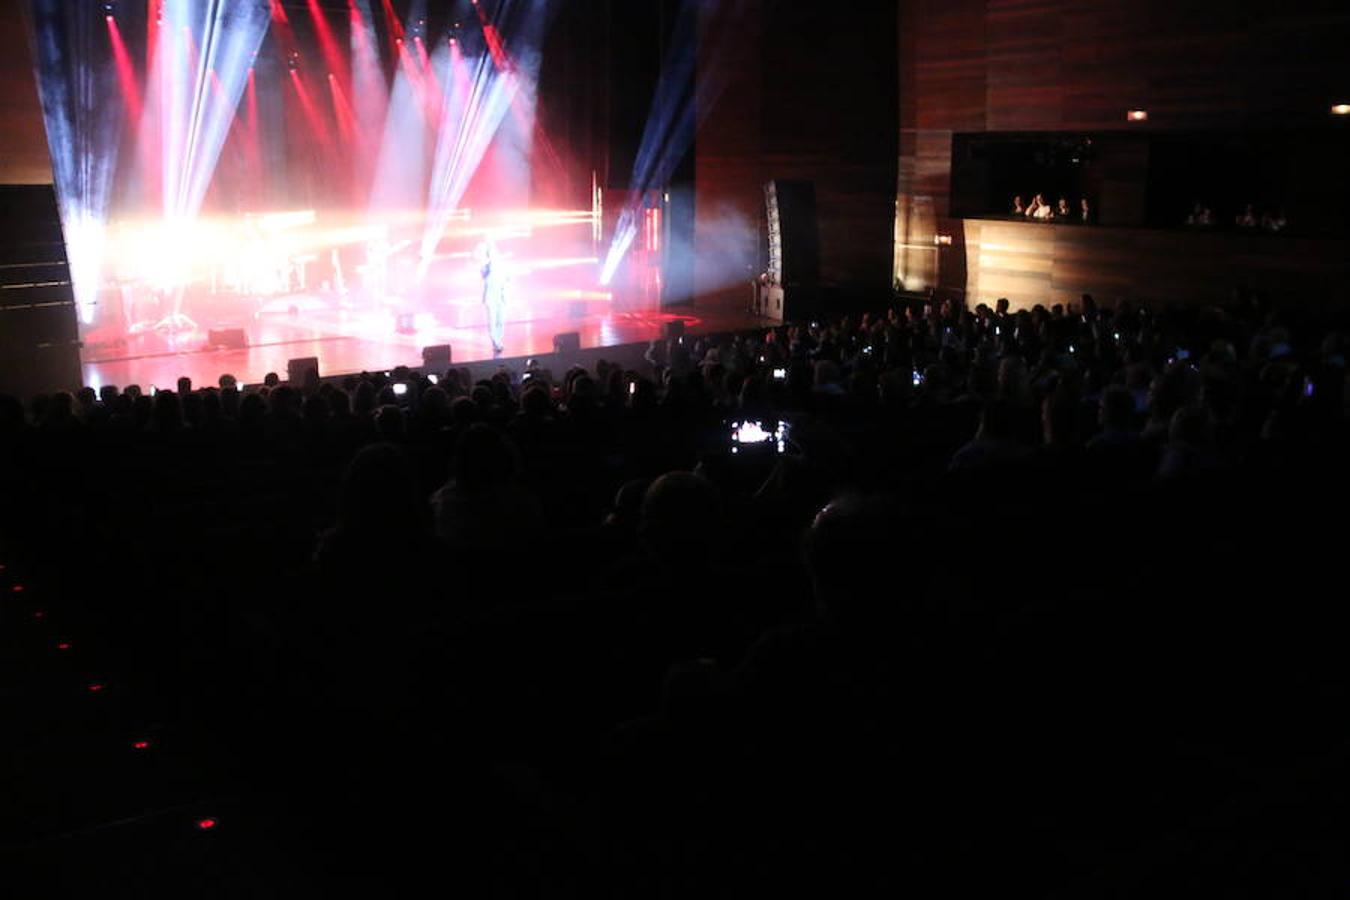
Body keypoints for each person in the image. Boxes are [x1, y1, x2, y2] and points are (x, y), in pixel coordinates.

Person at [474, 237, 508, 355]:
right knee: (492, 321)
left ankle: (499, 341)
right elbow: (484, 276)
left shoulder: (501, 266)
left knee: (500, 321)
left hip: (500, 297)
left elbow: (506, 280)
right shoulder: (486, 266)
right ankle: (496, 343)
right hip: (490, 298)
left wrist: (504, 294)